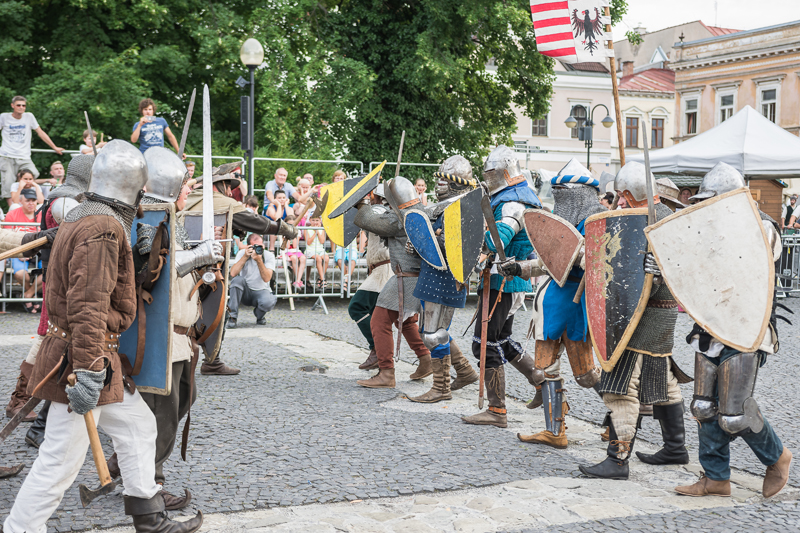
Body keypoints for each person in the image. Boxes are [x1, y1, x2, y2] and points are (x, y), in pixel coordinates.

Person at [2, 139, 204, 533]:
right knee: (59, 461)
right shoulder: (104, 228)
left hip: (94, 357)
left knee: (138, 427)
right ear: (133, 188)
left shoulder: (83, 215)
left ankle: (150, 519)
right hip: (82, 359)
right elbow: (89, 306)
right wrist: (89, 371)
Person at [675, 162, 792, 499]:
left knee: (734, 415)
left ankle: (777, 457)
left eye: (712, 201)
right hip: (709, 325)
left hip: (745, 327)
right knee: (702, 406)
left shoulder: (762, 227)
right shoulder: (706, 230)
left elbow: (749, 267)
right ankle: (715, 478)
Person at [120, 146, 223, 511]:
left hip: (179, 338)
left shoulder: (167, 221)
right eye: (185, 185)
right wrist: (198, 256)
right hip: (157, 339)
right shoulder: (147, 221)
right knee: (160, 414)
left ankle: (129, 462)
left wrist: (202, 269)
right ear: (168, 187)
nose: (189, 190)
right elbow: (148, 269)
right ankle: (150, 481)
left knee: (183, 399)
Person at [577, 161, 691, 480]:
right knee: (663, 381)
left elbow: (682, 268)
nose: (621, 201)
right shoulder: (654, 217)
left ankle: (617, 460)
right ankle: (675, 447)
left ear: (632, 193)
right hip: (656, 315)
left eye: (624, 196)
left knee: (621, 386)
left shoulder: (658, 222)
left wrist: (660, 266)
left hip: (641, 316)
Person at [510, 159, 603, 445]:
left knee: (586, 374)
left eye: (564, 194)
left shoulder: (597, 222)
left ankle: (621, 413)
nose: (560, 200)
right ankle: (555, 431)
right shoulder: (561, 222)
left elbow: (600, 263)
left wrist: (579, 254)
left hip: (576, 305)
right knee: (545, 369)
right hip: (550, 306)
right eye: (557, 194)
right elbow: (548, 262)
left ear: (580, 194)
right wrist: (521, 268)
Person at [183, 165, 297, 374]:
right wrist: (283, 228)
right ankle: (210, 362)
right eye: (228, 187)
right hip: (206, 271)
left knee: (188, 315)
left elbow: (235, 225)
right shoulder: (219, 201)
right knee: (216, 313)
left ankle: (194, 361)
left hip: (183, 270)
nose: (230, 193)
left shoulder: (188, 200)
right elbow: (254, 221)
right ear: (219, 185)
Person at [461, 145, 543, 429]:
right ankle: (541, 382)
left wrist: (475, 242)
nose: (488, 176)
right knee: (503, 341)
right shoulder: (516, 195)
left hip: (503, 281)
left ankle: (497, 410)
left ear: (505, 172)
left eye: (491, 172)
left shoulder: (513, 202)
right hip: (509, 281)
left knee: (484, 343)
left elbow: (500, 237)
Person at [406, 157, 479, 403]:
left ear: (457, 184)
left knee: (433, 334)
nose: (438, 184)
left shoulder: (463, 208)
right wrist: (420, 242)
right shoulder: (445, 207)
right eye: (438, 179)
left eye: (444, 180)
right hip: (433, 274)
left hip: (446, 277)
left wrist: (429, 239)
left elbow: (456, 246)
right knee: (431, 331)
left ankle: (441, 388)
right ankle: (465, 371)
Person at [354, 176, 433, 388]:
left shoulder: (400, 217)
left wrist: (361, 203)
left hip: (406, 277)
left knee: (379, 321)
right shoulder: (420, 211)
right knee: (405, 322)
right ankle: (428, 360)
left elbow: (368, 221)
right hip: (414, 276)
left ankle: (386, 373)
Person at [349, 187, 392, 368]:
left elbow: (367, 218)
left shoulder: (380, 211)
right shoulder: (380, 212)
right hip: (379, 270)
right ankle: (381, 356)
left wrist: (362, 204)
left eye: (372, 195)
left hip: (384, 271)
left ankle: (377, 349)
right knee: (378, 317)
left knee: (357, 307)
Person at [0, 96, 64, 199]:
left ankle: (27, 199)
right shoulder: (4, 117)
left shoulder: (29, 116)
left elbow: (40, 132)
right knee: (7, 184)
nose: (21, 107)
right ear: (12, 106)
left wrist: (54, 147)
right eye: (18, 105)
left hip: (24, 156)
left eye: (23, 105)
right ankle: (12, 206)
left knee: (33, 175)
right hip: (7, 156)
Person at [228, 234, 277, 328]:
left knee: (269, 301)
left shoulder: (268, 255)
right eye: (254, 246)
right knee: (236, 280)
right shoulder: (242, 253)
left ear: (264, 245)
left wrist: (259, 260)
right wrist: (245, 256)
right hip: (245, 291)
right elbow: (233, 273)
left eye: (260, 246)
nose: (257, 248)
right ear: (248, 246)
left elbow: (267, 278)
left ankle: (259, 315)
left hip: (261, 290)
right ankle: (232, 317)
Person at [6, 188, 43, 313]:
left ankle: (28, 295)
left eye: (33, 200)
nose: (31, 203)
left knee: (49, 272)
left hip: (39, 252)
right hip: (18, 251)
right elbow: (7, 237)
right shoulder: (12, 215)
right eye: (28, 200)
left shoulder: (42, 215)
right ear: (21, 201)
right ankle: (32, 294)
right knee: (20, 274)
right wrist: (19, 252)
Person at [304, 214, 329, 290]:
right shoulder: (306, 229)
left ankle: (320, 278)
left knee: (326, 258)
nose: (315, 222)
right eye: (313, 220)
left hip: (320, 250)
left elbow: (322, 241)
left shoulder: (322, 229)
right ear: (310, 220)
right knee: (318, 258)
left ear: (320, 221)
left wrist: (318, 231)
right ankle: (323, 279)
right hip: (310, 250)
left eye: (317, 220)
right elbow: (308, 242)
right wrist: (315, 233)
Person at [282, 214, 307, 290]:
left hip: (295, 250)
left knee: (303, 258)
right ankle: (298, 280)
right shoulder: (283, 231)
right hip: (286, 251)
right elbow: (287, 246)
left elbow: (295, 245)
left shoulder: (297, 231)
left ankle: (298, 281)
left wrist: (293, 235)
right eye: (289, 224)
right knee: (294, 258)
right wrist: (288, 234)